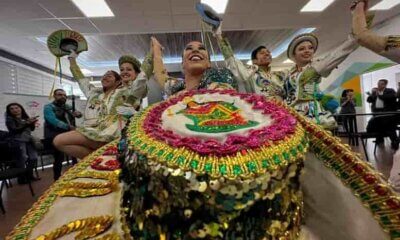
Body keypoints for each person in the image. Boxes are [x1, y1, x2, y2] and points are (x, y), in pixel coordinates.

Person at [53, 50, 150, 159]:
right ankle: (99, 160)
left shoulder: (128, 91)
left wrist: (153, 52)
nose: (105, 77)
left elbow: (142, 78)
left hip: (114, 133)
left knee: (60, 140)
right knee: (60, 142)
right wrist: (72, 60)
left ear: (118, 82)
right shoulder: (94, 93)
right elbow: (81, 79)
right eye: (104, 75)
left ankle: (103, 157)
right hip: (94, 130)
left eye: (110, 76)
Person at [284, 32, 358, 129]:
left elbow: (339, 54)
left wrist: (355, 37)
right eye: (301, 49)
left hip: (310, 110)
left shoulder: (317, 66)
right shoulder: (290, 72)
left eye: (310, 48)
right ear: (294, 54)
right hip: (291, 111)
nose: (307, 51)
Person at [212, 27, 286, 101]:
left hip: (284, 110)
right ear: (254, 61)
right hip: (262, 110)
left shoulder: (279, 75)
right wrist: (219, 37)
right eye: (262, 53)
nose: (267, 54)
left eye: (268, 52)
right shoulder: (251, 74)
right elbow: (233, 62)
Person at [44, 89, 82, 180]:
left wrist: (78, 114)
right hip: (55, 135)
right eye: (60, 95)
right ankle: (57, 179)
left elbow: (79, 114)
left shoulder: (67, 106)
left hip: (68, 133)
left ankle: (77, 176)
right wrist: (68, 127)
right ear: (54, 96)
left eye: (64, 95)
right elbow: (52, 120)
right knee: (59, 158)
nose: (63, 97)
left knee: (75, 155)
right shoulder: (48, 107)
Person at [5, 103, 40, 183]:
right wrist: (27, 123)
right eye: (12, 109)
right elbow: (14, 130)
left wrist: (32, 123)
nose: (15, 110)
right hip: (18, 140)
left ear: (21, 108)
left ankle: (29, 175)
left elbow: (32, 129)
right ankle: (21, 178)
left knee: (34, 157)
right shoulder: (10, 119)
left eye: (17, 108)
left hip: (28, 140)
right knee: (23, 159)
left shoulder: (25, 117)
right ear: (9, 111)